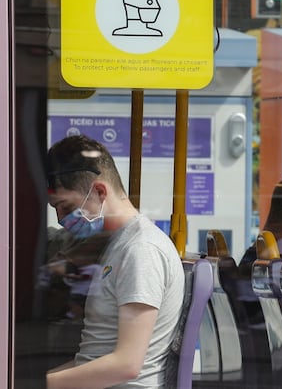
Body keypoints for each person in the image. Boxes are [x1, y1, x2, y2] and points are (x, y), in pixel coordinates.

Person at [45, 134, 185, 389]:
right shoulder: (119, 245)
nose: (60, 219)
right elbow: (91, 356)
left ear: (99, 191)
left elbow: (126, 364)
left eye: (65, 206)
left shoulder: (141, 250)